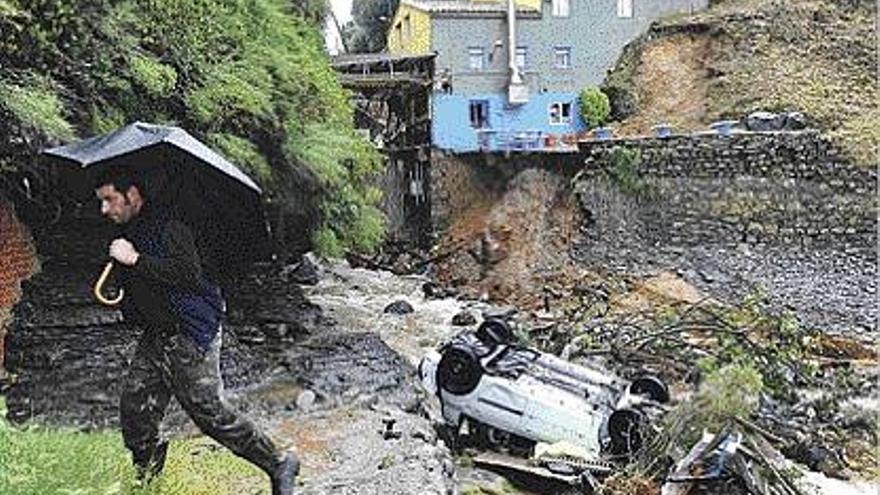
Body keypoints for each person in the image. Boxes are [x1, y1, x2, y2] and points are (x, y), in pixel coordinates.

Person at [94, 168, 298, 495]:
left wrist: (134, 260)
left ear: (132, 194)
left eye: (110, 200)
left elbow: (186, 273)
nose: (105, 209)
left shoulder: (171, 225)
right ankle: (147, 483)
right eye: (101, 202)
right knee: (136, 410)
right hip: (157, 335)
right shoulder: (132, 228)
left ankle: (278, 463)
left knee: (210, 414)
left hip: (191, 332)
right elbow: (141, 280)